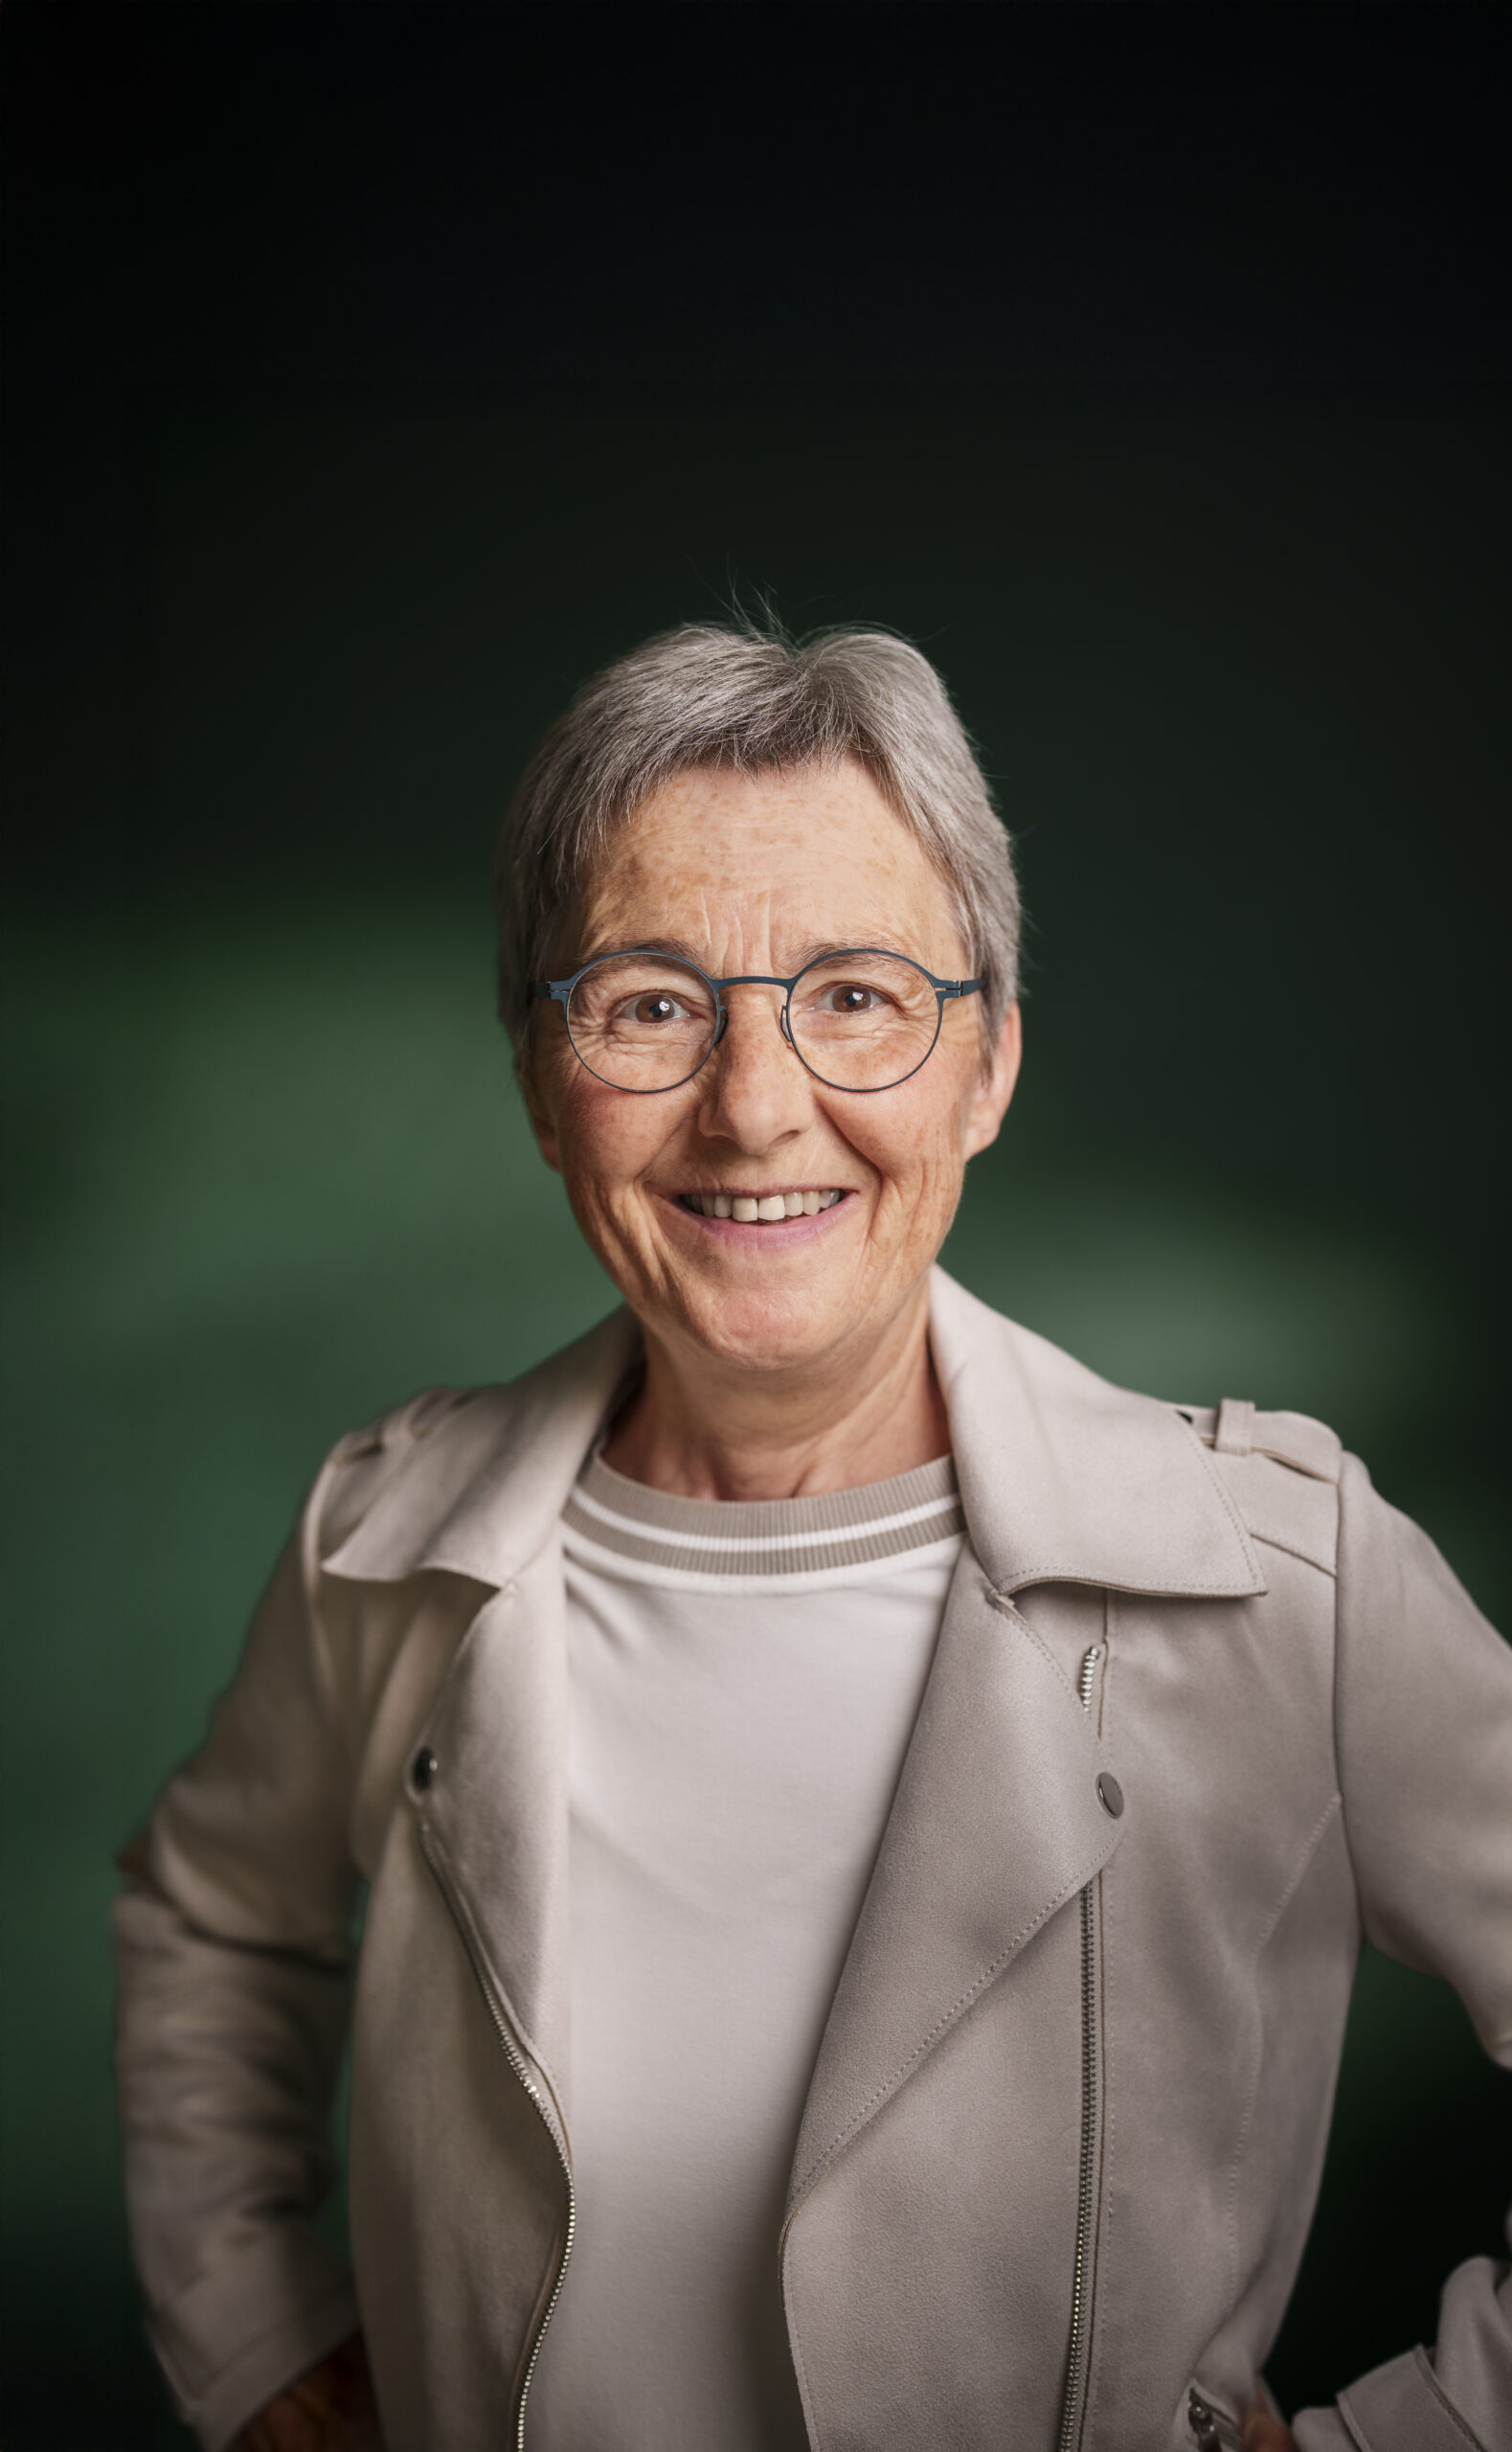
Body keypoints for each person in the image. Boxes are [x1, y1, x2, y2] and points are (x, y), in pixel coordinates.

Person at [114, 624, 1512, 2452]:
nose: (756, 1105)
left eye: (857, 995)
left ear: (989, 1066)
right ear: (544, 1084)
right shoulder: (383, 1542)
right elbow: (212, 1917)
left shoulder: (1280, 1575)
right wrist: (250, 2332)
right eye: (650, 1001)